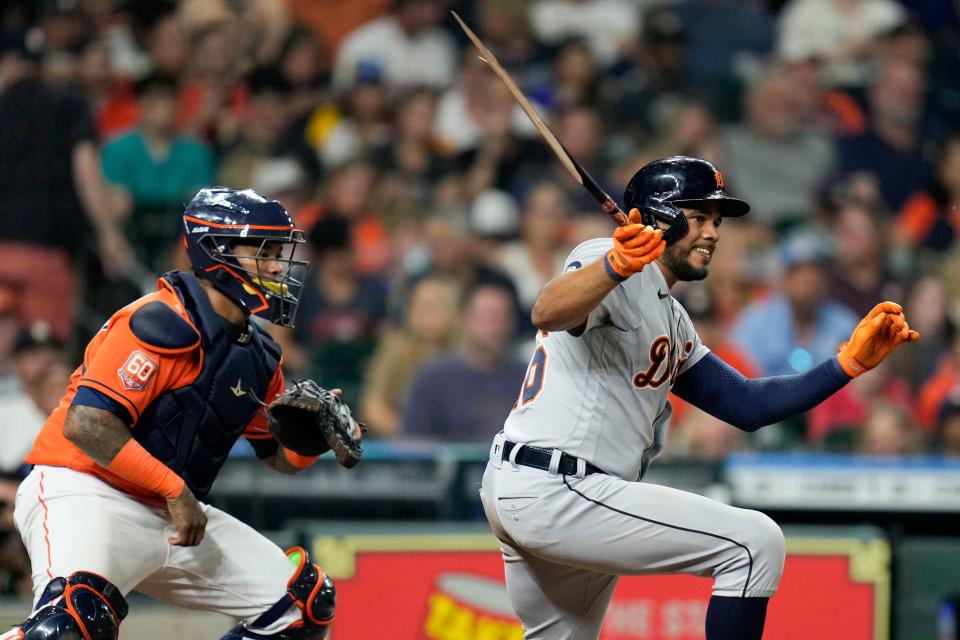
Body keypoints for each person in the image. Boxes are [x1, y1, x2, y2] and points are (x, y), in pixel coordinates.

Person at [479, 156, 919, 640]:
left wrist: (845, 366)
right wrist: (613, 265)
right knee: (753, 545)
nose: (712, 232)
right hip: (557, 486)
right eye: (698, 218)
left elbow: (747, 406)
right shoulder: (605, 257)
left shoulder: (671, 317)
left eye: (716, 221)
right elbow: (548, 310)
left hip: (541, 486)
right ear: (657, 217)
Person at [1, 188, 358, 640]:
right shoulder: (155, 320)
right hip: (86, 489)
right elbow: (87, 423)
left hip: (173, 512)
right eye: (263, 251)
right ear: (216, 251)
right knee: (69, 627)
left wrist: (314, 439)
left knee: (302, 607)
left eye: (279, 252)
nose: (275, 265)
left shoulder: (260, 355)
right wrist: (175, 491)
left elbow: (278, 457)